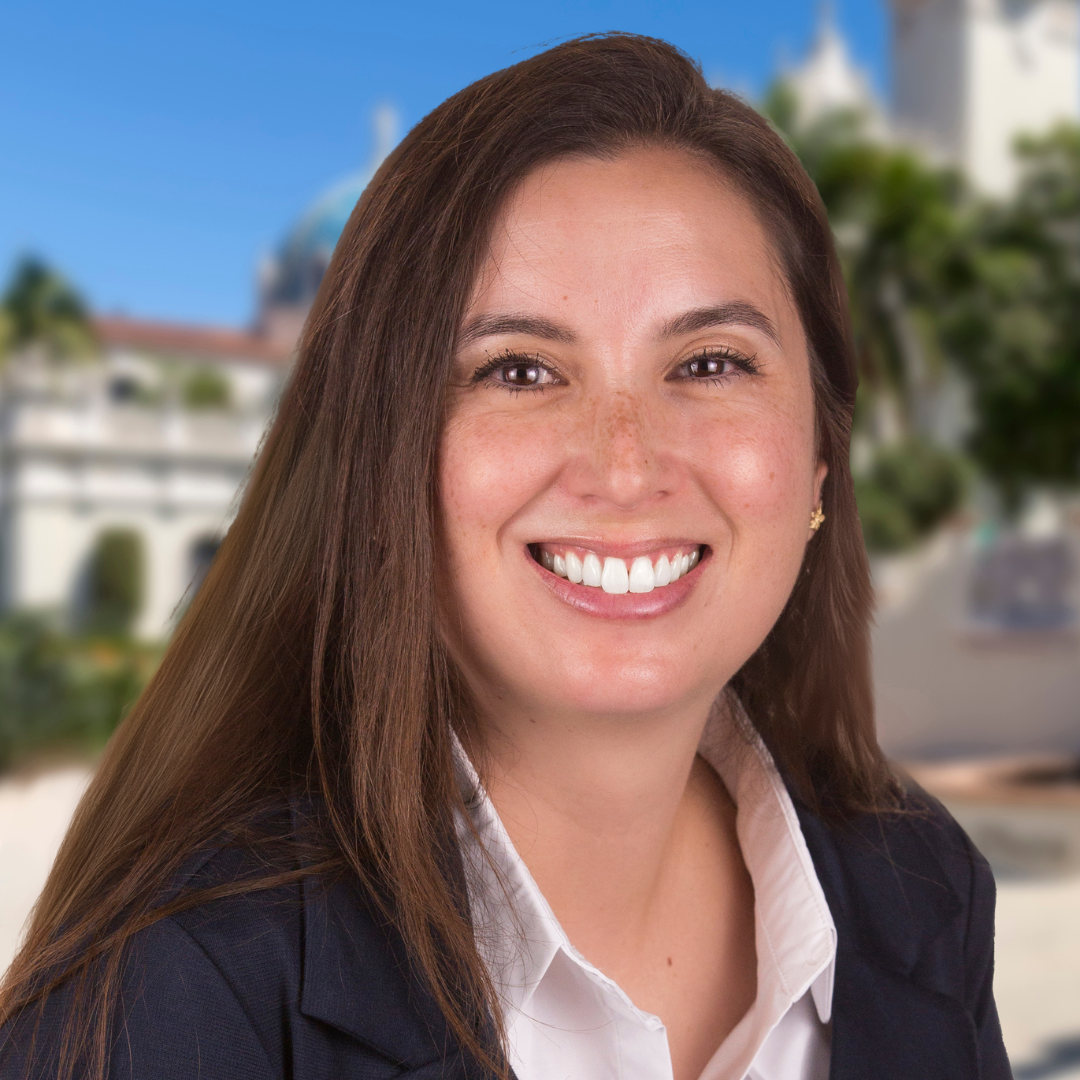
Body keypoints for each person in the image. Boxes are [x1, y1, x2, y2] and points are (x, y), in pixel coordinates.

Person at [0, 34, 1009, 1080]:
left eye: (710, 362)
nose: (626, 467)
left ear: (819, 462)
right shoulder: (170, 1002)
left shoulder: (922, 889)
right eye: (519, 371)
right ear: (379, 462)